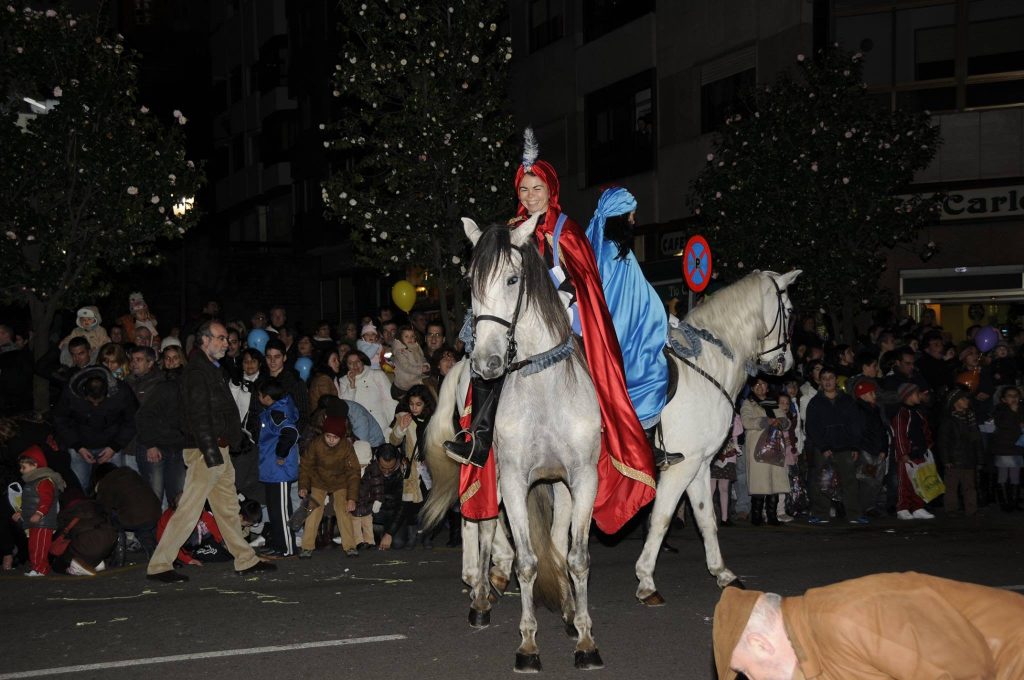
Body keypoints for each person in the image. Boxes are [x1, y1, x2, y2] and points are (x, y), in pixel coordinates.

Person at [444, 129, 656, 534]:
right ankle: (479, 436)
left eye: (536, 188)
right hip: (517, 325)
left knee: (601, 363)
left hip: (567, 320)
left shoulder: (567, 230)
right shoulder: (509, 229)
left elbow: (585, 280)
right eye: (523, 189)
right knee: (488, 359)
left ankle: (613, 430)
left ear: (550, 189)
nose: (529, 196)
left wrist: (564, 291)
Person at [146, 320, 275, 583]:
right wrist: (212, 454)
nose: (226, 343)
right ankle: (159, 564)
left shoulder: (210, 368)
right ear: (205, 340)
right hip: (207, 451)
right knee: (190, 509)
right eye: (220, 338)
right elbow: (198, 417)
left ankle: (245, 559)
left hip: (218, 449)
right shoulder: (196, 372)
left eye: (226, 339)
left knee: (227, 507)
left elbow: (219, 411)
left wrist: (233, 442)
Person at [713, 572, 1024, 680]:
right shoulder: (808, 642)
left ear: (760, 644)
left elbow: (968, 670)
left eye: (746, 671)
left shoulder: (845, 619)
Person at [585, 186, 677, 468]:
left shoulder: (603, 250)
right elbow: (625, 305)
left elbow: (638, 296)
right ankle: (645, 446)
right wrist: (658, 324)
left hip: (614, 332)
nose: (634, 222)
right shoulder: (614, 254)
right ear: (619, 217)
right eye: (631, 216)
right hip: (621, 337)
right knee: (653, 373)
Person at [53, 365, 137, 494]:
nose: (96, 405)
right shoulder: (70, 392)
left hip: (112, 445)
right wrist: (77, 446)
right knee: (79, 487)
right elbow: (61, 420)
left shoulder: (121, 391)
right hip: (80, 445)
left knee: (115, 487)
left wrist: (115, 446)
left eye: (100, 401)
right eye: (91, 401)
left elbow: (132, 420)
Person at [804, 367, 867, 525]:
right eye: (824, 378)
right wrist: (823, 446)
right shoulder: (815, 402)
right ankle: (821, 514)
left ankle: (854, 514)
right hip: (824, 449)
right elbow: (811, 427)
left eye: (830, 378)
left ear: (836, 380)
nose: (827, 381)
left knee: (850, 482)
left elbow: (855, 425)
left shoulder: (847, 400)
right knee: (823, 482)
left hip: (845, 447)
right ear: (820, 381)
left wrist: (855, 446)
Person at [298, 415, 361, 558]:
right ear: (323, 434)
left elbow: (354, 473)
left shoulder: (346, 446)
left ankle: (350, 546)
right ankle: (306, 547)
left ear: (341, 436)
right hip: (318, 480)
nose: (331, 440)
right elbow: (306, 465)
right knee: (312, 510)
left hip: (340, 482)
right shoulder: (316, 444)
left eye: (335, 437)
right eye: (328, 436)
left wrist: (351, 498)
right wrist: (303, 485)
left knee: (343, 509)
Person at [255, 378, 300, 558]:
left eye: (259, 395)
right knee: (275, 510)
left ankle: (287, 547)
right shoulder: (274, 410)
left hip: (279, 470)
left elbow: (290, 432)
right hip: (272, 469)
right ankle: (277, 544)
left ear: (267, 398)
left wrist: (281, 455)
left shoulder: (278, 412)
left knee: (281, 511)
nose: (258, 397)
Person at [389, 385, 435, 548]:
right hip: (412, 469)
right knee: (411, 505)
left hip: (430, 468)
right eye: (411, 403)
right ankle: (412, 537)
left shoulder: (433, 419)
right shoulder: (404, 417)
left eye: (418, 404)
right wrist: (401, 427)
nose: (414, 408)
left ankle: (426, 537)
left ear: (425, 404)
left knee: (429, 504)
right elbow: (393, 440)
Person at [741, 378, 790, 526]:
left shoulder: (774, 404)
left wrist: (780, 422)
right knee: (759, 481)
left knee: (775, 480)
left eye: (763, 384)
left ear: (768, 387)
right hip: (757, 447)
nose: (760, 387)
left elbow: (786, 421)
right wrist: (765, 421)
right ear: (752, 387)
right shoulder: (748, 403)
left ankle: (772, 516)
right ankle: (756, 517)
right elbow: (746, 421)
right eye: (756, 384)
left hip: (774, 447)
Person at [12, 446, 66, 576]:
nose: (21, 470)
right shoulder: (32, 482)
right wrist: (20, 512)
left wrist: (39, 513)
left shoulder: (44, 481)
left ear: (35, 465)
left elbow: (46, 500)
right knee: (33, 546)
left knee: (40, 546)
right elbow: (28, 502)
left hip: (43, 521)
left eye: (23, 467)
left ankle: (41, 568)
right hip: (34, 520)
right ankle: (36, 568)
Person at [93, 462, 161, 557]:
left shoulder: (106, 482)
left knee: (111, 519)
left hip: (134, 518)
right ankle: (152, 551)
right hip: (155, 513)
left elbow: (103, 508)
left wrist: (98, 490)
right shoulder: (130, 473)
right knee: (143, 525)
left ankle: (119, 553)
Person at [890, 382, 935, 521]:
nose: (919, 396)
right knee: (905, 482)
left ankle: (917, 507)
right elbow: (899, 434)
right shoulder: (901, 414)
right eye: (916, 393)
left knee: (919, 481)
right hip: (907, 455)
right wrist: (903, 453)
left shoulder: (917, 412)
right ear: (908, 396)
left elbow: (925, 430)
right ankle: (902, 508)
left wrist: (928, 445)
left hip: (919, 453)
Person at [354, 444, 407, 550]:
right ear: (377, 461)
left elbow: (403, 506)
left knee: (398, 543)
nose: (386, 472)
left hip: (394, 512)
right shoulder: (370, 468)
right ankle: (376, 534)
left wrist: (389, 533)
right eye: (383, 468)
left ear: (397, 461)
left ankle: (383, 532)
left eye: (390, 468)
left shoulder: (404, 471)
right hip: (374, 511)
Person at [939, 388, 982, 517]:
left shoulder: (971, 419)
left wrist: (979, 459)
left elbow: (977, 441)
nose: (967, 401)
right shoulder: (949, 421)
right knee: (951, 487)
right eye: (963, 399)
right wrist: (946, 460)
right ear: (955, 402)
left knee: (970, 486)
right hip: (954, 460)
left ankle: (971, 510)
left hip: (969, 459)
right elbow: (943, 442)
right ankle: (951, 509)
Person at [338, 350, 396, 436]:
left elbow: (391, 400)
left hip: (382, 425)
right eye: (350, 363)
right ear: (346, 366)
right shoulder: (344, 381)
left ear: (363, 362)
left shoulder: (377, 375)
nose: (355, 365)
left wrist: (392, 425)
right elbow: (346, 407)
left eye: (358, 361)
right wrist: (351, 385)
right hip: (360, 429)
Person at [264, 339, 309, 432]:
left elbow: (303, 415)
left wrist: (288, 438)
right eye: (269, 357)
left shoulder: (295, 383)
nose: (272, 361)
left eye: (277, 357)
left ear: (284, 358)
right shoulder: (261, 381)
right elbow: (254, 410)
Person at [991, 385, 1023, 511]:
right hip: (1003, 448)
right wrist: (1013, 412)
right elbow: (1003, 424)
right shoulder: (1000, 410)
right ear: (1003, 399)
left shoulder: (1021, 409)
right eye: (1010, 396)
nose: (1013, 398)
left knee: (1015, 475)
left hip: (1017, 448)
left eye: (1016, 396)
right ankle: (1005, 503)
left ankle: (1014, 502)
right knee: (1003, 475)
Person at [390, 326, 429, 399]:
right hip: (405, 384)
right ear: (400, 338)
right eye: (406, 336)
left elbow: (422, 358)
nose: (410, 338)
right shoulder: (400, 351)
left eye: (412, 336)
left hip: (416, 379)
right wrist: (420, 370)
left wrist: (426, 365)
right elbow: (406, 366)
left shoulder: (416, 347)